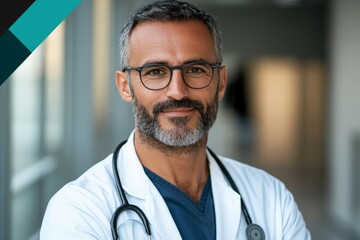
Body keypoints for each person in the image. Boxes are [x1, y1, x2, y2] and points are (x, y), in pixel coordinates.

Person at [40, 0, 311, 239]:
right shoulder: (79, 211)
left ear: (221, 82)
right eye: (155, 71)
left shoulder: (271, 198)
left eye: (195, 69)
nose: (177, 91)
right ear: (125, 86)